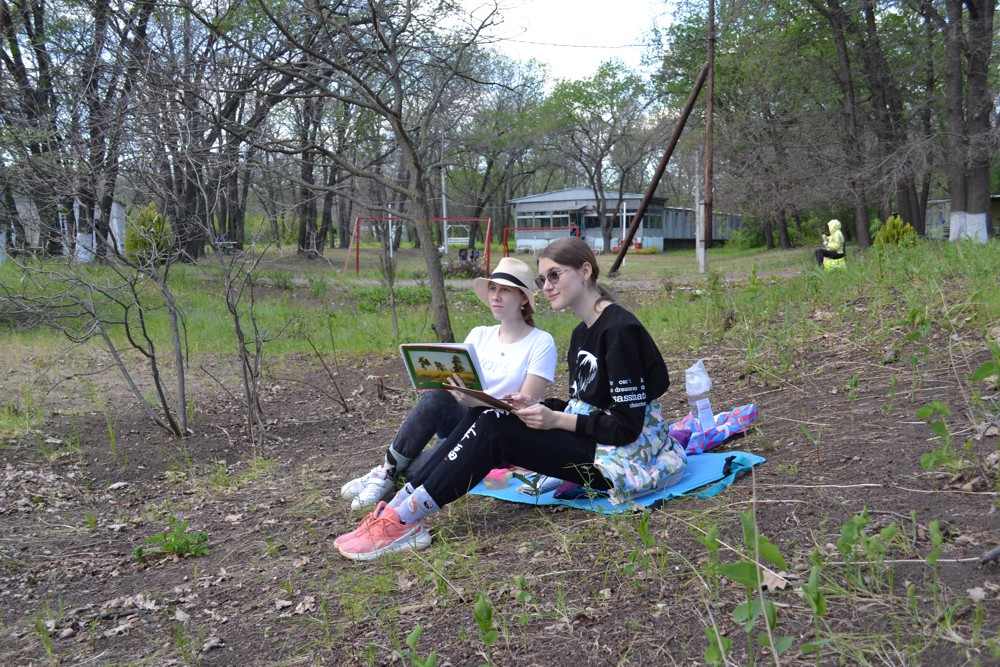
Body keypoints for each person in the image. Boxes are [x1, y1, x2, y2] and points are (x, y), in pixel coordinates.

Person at [335, 237, 687, 560]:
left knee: (497, 428)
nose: (547, 286)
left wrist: (554, 419)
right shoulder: (582, 332)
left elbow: (626, 427)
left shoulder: (620, 331)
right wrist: (538, 408)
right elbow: (587, 405)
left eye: (554, 275)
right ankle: (398, 507)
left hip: (621, 462)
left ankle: (404, 521)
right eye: (542, 279)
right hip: (597, 444)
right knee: (491, 412)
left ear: (585, 271)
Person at [339, 257, 557, 509]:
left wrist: (476, 401)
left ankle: (389, 476)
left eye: (505, 290)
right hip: (464, 417)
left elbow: (525, 408)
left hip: (500, 432)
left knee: (433, 460)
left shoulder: (541, 342)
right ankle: (386, 471)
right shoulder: (480, 334)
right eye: (493, 288)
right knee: (438, 397)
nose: (496, 296)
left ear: (523, 299)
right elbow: (461, 380)